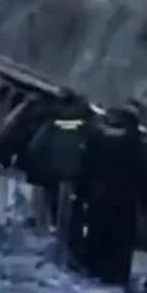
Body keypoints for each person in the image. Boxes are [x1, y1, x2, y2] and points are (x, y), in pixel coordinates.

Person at [81, 106, 147, 288]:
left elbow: (85, 172)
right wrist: (145, 209)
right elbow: (143, 184)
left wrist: (83, 196)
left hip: (98, 205)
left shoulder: (97, 140)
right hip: (124, 212)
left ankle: (92, 276)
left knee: (95, 252)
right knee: (118, 260)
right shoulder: (138, 148)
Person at [24, 91, 97, 265]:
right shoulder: (85, 128)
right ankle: (66, 256)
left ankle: (52, 251)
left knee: (52, 217)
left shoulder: (52, 125)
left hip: (52, 178)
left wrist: (37, 173)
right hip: (73, 181)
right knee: (69, 222)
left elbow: (35, 148)